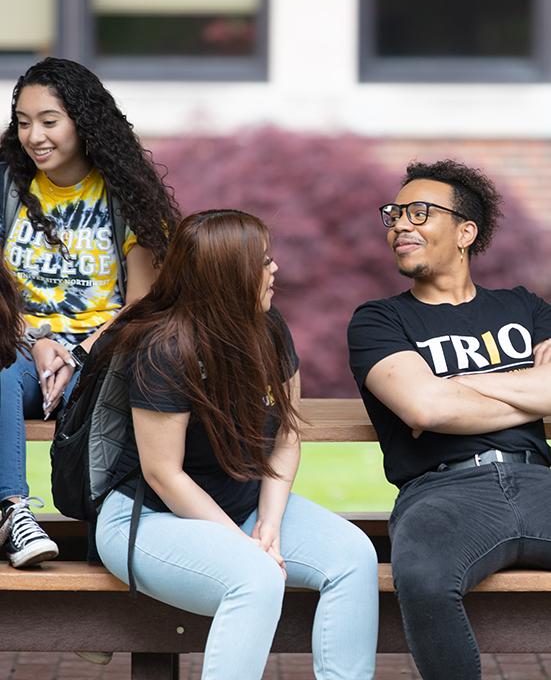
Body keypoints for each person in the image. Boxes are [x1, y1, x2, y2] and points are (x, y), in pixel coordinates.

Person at [95, 209, 379, 680]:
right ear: (226, 275)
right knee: (256, 577)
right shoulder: (165, 349)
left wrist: (267, 524)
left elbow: (287, 436)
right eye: (262, 262)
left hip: (245, 503)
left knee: (354, 555)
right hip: (147, 519)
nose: (275, 270)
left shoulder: (269, 330)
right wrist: (244, 544)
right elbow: (163, 474)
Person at [348, 160, 551, 680]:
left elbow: (439, 400)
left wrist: (453, 387)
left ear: (466, 232)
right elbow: (426, 408)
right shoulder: (379, 320)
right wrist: (525, 386)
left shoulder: (525, 307)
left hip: (539, 481)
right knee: (419, 573)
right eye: (394, 214)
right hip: (442, 495)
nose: (399, 225)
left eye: (420, 212)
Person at [0, 57, 180, 569]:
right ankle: (12, 513)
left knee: (121, 393)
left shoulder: (125, 195)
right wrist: (35, 341)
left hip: (100, 355)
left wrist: (79, 353)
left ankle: (114, 542)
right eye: (23, 120)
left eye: (49, 120)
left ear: (83, 121)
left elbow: (143, 303)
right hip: (18, 347)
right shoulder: (6, 189)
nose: (34, 135)